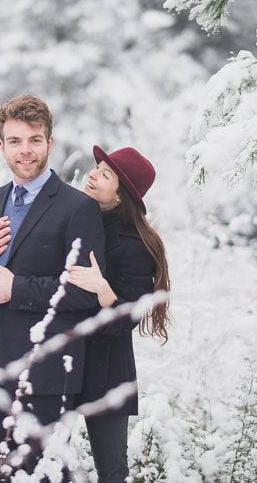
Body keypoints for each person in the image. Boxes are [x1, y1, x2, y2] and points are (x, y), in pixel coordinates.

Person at [0, 94, 105, 479]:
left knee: (44, 475)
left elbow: (86, 292)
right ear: (1, 146)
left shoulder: (77, 208)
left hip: (45, 370)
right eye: (16, 141)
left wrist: (17, 289)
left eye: (35, 140)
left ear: (50, 143)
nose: (26, 150)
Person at [66, 145, 171, 483]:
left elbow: (128, 317)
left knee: (111, 471)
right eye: (97, 167)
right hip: (64, 364)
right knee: (51, 465)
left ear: (121, 195)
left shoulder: (136, 244)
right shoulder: (76, 220)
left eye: (105, 174)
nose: (93, 174)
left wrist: (101, 287)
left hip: (107, 372)